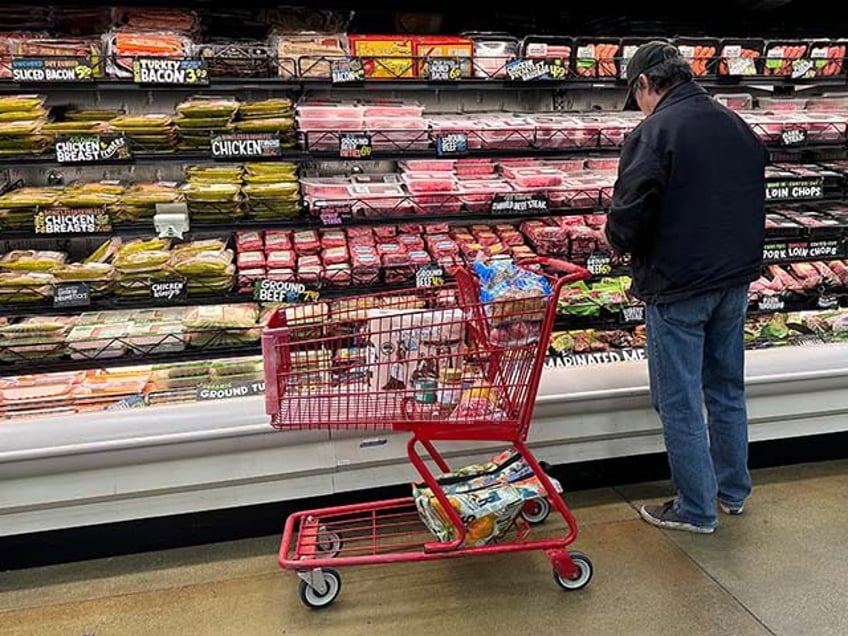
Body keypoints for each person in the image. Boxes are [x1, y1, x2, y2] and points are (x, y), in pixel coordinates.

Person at [605, 42, 769, 534]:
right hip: (733, 279)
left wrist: (614, 237)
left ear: (645, 85)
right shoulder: (735, 124)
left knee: (677, 400)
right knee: (725, 388)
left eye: (636, 96)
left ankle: (695, 509)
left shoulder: (654, 132)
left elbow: (631, 213)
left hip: (678, 286)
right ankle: (732, 492)